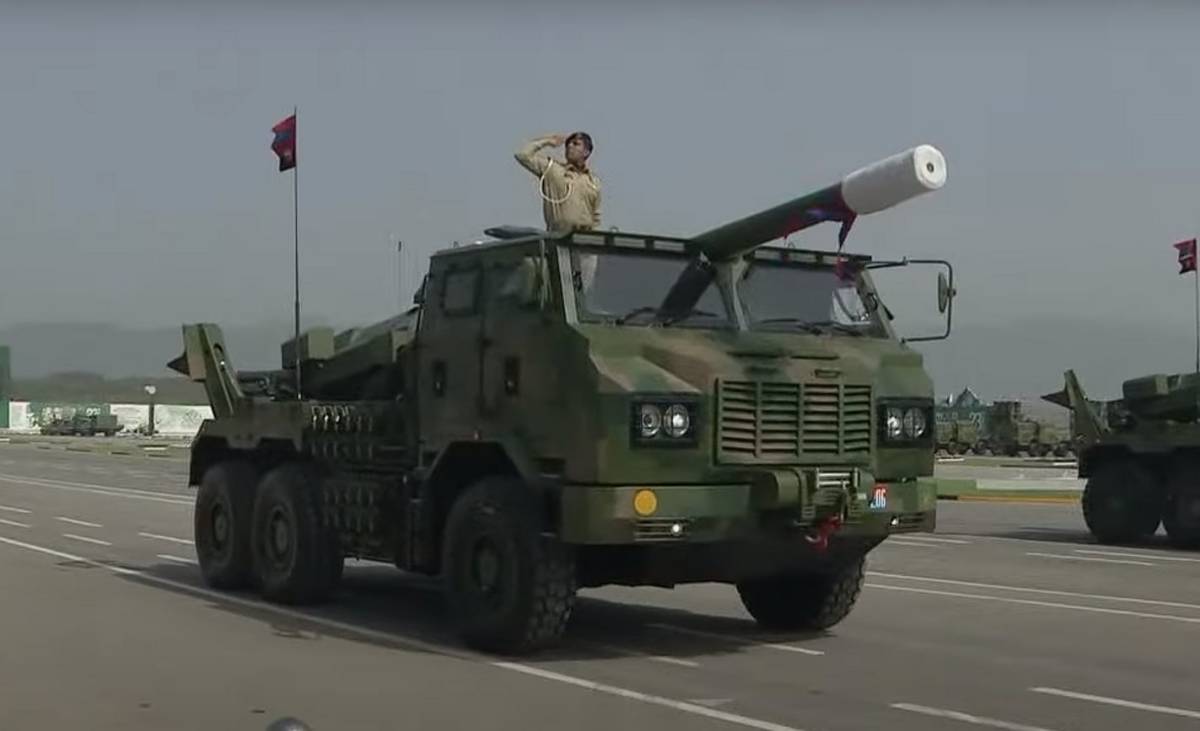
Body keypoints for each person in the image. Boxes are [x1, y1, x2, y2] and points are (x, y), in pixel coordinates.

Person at [514, 132, 601, 233]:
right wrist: (547, 141)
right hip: (558, 238)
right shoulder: (552, 169)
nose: (570, 146)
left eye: (576, 144)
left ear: (586, 152)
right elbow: (522, 155)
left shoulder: (592, 181)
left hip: (584, 240)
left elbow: (596, 216)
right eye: (568, 144)